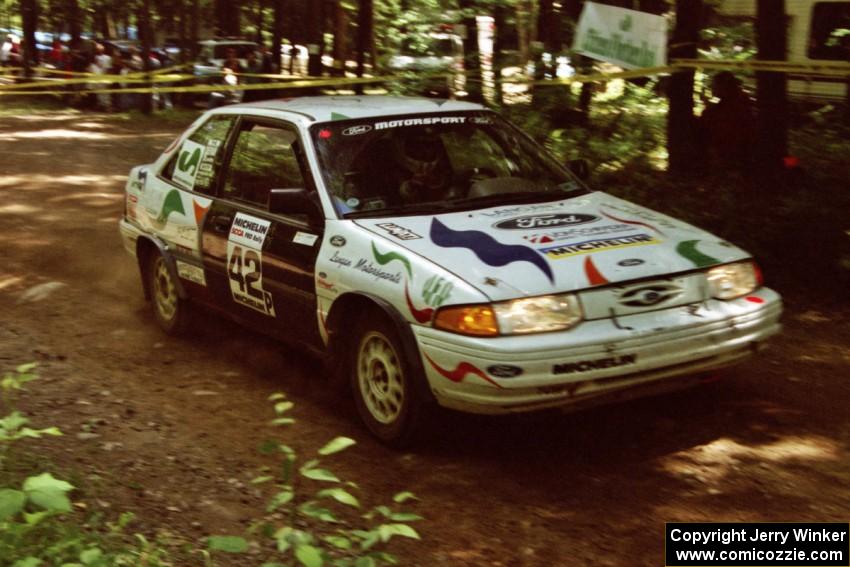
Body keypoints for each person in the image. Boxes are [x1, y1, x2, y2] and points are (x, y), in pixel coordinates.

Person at [698, 71, 755, 169]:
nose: (712, 89)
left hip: (731, 149)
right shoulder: (729, 100)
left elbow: (717, 123)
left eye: (714, 86)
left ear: (723, 87)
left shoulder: (735, 103)